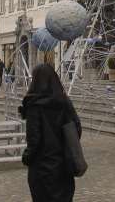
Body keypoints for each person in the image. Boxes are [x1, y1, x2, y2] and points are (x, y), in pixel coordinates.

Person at [20, 64, 81, 202]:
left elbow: (34, 140)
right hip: (63, 167)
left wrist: (26, 157)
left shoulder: (34, 106)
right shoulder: (64, 102)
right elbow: (76, 129)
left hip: (42, 170)